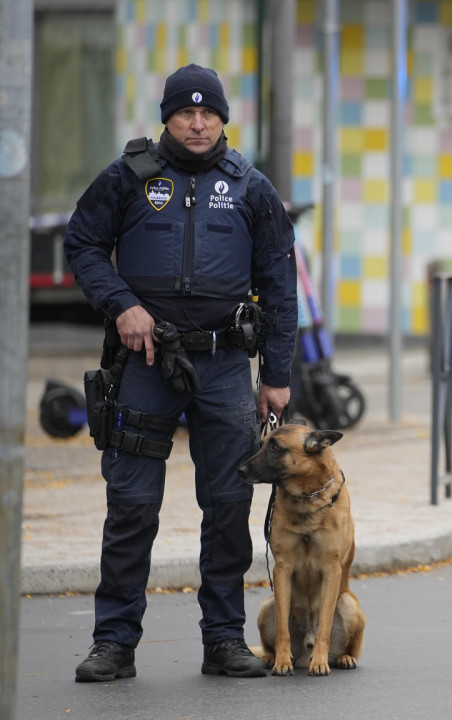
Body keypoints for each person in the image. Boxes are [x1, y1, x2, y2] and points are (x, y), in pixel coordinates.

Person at [64, 64, 298, 681]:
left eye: (209, 113)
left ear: (224, 119)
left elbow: (279, 284)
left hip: (224, 366)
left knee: (227, 505)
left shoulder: (250, 187)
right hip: (144, 363)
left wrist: (276, 373)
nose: (198, 123)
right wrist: (123, 305)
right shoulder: (128, 177)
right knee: (133, 505)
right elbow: (82, 244)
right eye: (185, 113)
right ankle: (114, 642)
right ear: (166, 117)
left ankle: (223, 640)